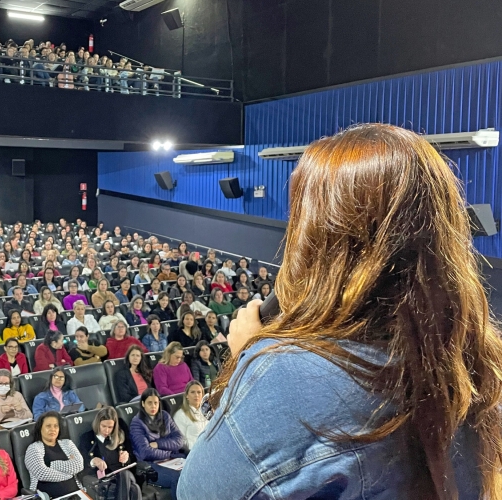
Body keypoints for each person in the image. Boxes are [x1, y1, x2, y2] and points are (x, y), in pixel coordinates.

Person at [180, 125, 502, 499]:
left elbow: (197, 492)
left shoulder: (288, 377)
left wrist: (249, 360)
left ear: (317, 235)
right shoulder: (476, 359)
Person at [130, 389, 185, 499]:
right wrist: (169, 453)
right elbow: (145, 452)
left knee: (195, 468)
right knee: (177, 477)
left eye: (156, 403)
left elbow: (180, 440)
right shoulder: (137, 422)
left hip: (172, 460)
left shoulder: (165, 416)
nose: (153, 406)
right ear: (143, 404)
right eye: (149, 403)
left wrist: (158, 444)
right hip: (150, 466)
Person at [78, 406, 140, 500]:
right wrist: (93, 461)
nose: (106, 431)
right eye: (104, 426)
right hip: (106, 482)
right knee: (134, 489)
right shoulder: (86, 438)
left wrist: (127, 458)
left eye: (110, 427)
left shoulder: (120, 436)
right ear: (98, 423)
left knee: (124, 475)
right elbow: (81, 463)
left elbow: (132, 458)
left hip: (125, 477)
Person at [24, 410, 85, 497]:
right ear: (40, 428)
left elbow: (79, 465)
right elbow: (42, 473)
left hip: (76, 494)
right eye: (48, 426)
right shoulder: (33, 448)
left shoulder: (67, 443)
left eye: (56, 426)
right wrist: (69, 474)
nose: (52, 429)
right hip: (48, 496)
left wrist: (51, 465)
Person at [172, 380, 207, 450]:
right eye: (192, 392)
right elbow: (181, 441)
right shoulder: (180, 415)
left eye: (199, 392)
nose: (196, 395)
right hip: (194, 451)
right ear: (187, 396)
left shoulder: (207, 411)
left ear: (202, 395)